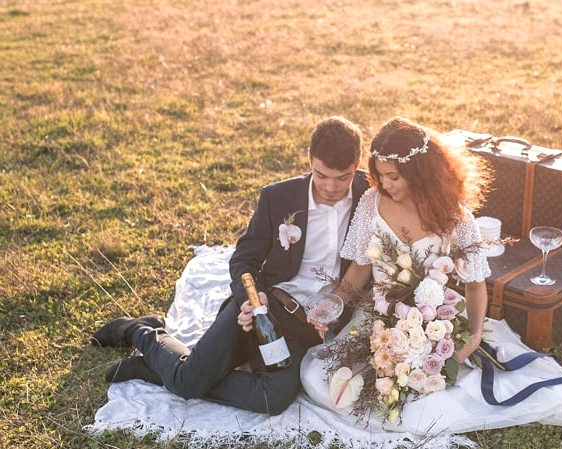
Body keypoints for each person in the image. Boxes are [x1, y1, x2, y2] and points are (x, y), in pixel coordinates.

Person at [91, 116, 370, 415]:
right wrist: (253, 299)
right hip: (264, 305)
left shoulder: (370, 196)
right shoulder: (278, 197)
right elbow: (245, 258)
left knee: (273, 398)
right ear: (309, 159)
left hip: (309, 325)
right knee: (188, 383)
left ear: (357, 165)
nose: (331, 187)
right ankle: (139, 331)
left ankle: (159, 369)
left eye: (343, 177)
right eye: (322, 175)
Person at [309, 116, 492, 363]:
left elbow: (475, 285)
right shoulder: (371, 202)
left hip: (430, 321)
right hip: (376, 316)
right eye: (379, 174)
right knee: (323, 375)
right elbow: (361, 267)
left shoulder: (455, 218)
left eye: (393, 177)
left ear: (418, 173)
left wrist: (475, 336)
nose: (384, 183)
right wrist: (334, 304)